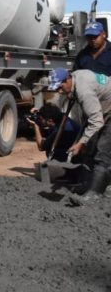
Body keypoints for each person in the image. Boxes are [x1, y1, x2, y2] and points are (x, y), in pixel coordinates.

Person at [47, 68, 111, 205]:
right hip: (102, 110)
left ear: (68, 79)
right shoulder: (75, 78)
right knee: (89, 149)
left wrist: (81, 142)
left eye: (60, 87)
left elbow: (96, 120)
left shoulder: (84, 90)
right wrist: (82, 141)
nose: (59, 91)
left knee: (102, 152)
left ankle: (95, 194)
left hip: (107, 113)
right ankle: (90, 185)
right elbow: (90, 116)